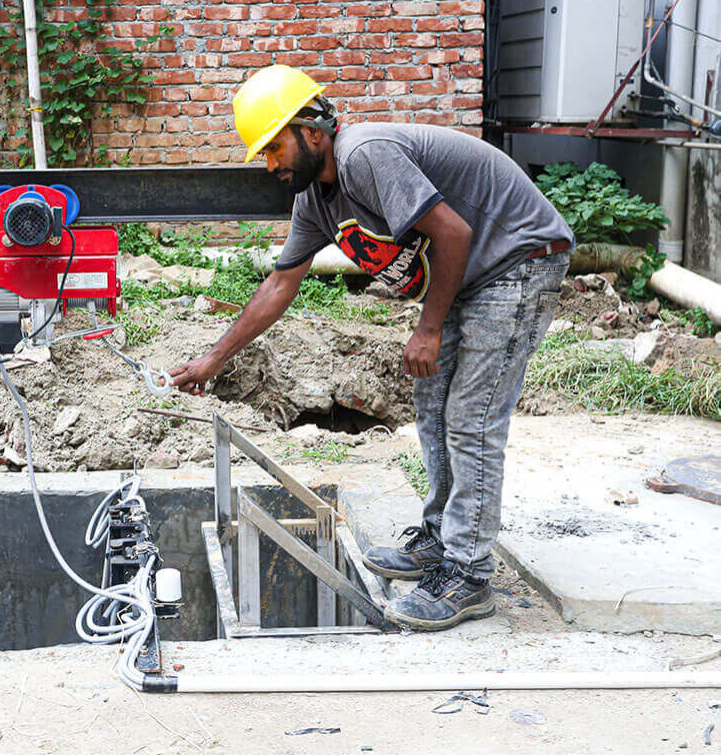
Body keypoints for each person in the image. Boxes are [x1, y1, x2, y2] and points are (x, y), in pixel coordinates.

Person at [168, 64, 573, 632]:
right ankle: (441, 539)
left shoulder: (365, 154)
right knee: (432, 408)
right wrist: (214, 358)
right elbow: (280, 283)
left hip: (519, 259)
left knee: (471, 418)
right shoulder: (316, 201)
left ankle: (468, 574)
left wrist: (428, 329)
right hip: (473, 278)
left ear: (312, 132)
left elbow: (454, 233)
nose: (271, 165)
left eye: (274, 147)